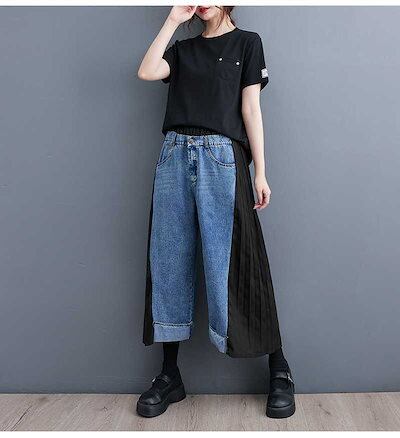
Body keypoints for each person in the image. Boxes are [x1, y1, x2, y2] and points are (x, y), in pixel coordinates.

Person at [136, 5, 295, 419]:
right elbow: (147, 71)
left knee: (240, 260)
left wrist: (261, 171)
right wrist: (173, 20)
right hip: (173, 156)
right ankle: (169, 375)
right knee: (169, 260)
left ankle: (279, 369)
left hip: (222, 157)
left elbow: (251, 109)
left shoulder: (247, 43)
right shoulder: (183, 50)